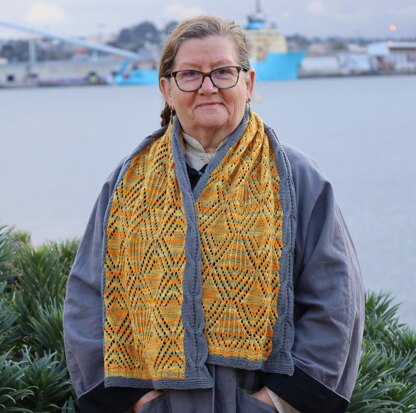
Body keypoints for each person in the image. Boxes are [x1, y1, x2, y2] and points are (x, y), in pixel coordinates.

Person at [63, 15, 364, 413]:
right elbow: (87, 297)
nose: (208, 87)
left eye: (223, 72)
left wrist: (277, 404)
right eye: (189, 74)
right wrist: (132, 403)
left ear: (248, 83)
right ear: (166, 89)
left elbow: (336, 298)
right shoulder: (126, 181)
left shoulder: (297, 177)